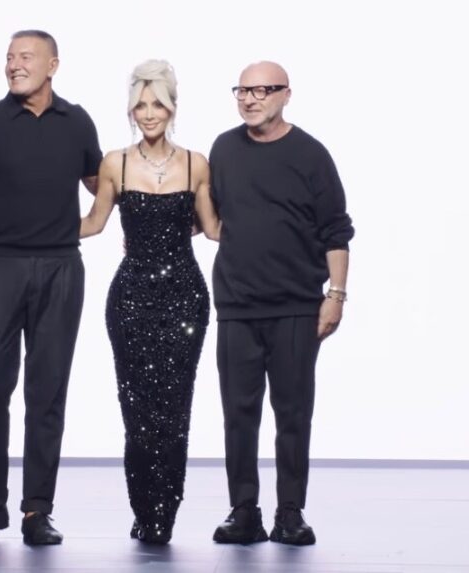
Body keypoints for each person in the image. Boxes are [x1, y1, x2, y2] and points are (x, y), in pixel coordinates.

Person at [0, 29, 102, 546]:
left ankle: (37, 510)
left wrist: (97, 223)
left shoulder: (77, 121)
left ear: (52, 65)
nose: (14, 64)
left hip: (61, 269)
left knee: (47, 390)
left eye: (26, 57)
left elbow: (103, 185)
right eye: (9, 57)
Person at [208, 61, 354, 546]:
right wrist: (153, 233)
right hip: (236, 304)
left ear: (286, 95)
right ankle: (243, 510)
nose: (250, 99)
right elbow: (209, 216)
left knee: (292, 414)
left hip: (296, 306)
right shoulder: (224, 149)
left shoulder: (311, 154)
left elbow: (336, 230)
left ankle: (290, 512)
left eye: (263, 90)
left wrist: (335, 295)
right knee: (238, 414)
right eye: (242, 90)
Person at [80, 59, 220, 544]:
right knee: (137, 409)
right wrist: (28, 227)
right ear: (131, 111)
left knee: (176, 409)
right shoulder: (114, 163)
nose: (149, 113)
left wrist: (277, 223)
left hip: (185, 298)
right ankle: (144, 509)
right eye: (140, 105)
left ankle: (166, 512)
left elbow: (213, 228)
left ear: (173, 107)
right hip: (131, 300)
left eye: (157, 103)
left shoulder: (196, 163)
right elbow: (93, 223)